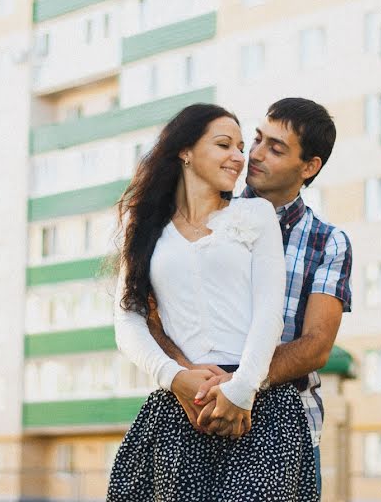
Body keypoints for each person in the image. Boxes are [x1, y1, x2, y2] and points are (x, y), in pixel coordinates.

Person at [108, 104, 318, 501]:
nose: (240, 157)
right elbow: (128, 321)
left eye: (242, 146)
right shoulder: (145, 225)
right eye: (225, 145)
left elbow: (268, 313)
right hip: (180, 403)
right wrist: (174, 377)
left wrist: (242, 390)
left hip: (260, 405)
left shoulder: (256, 214)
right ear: (185, 151)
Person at [148, 97, 353, 495]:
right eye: (255, 140)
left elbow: (315, 346)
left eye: (275, 149)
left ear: (309, 166)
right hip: (194, 413)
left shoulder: (328, 243)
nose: (254, 155)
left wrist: (241, 384)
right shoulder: (195, 220)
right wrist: (192, 380)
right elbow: (153, 315)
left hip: (285, 426)